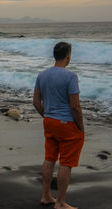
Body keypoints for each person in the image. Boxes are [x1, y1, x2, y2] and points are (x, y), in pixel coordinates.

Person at [33, 41, 84, 209]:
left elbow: (36, 101)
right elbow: (75, 106)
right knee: (66, 163)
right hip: (67, 123)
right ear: (68, 57)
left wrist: (46, 115)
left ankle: (46, 195)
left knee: (49, 159)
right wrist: (80, 126)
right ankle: (60, 202)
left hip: (49, 122)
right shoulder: (70, 77)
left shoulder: (42, 75)